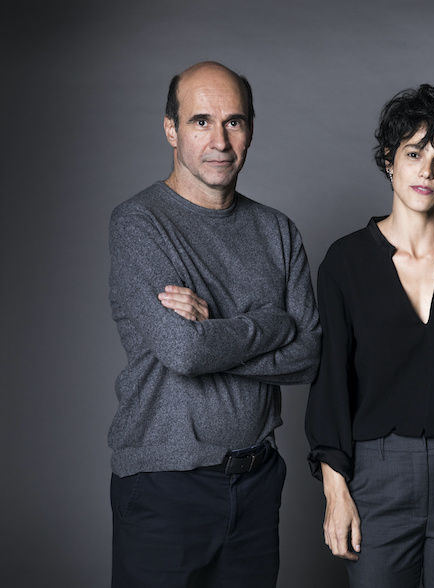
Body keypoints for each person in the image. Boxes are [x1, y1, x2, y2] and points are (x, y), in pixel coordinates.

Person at [108, 61, 321, 588]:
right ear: (170, 130)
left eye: (235, 121)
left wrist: (216, 328)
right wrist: (273, 323)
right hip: (163, 485)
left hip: (257, 482)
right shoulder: (139, 222)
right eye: (201, 121)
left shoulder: (277, 230)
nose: (220, 140)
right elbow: (184, 351)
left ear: (251, 129)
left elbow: (311, 354)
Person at [305, 84, 434, 588]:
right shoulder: (345, 262)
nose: (426, 171)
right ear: (389, 161)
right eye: (414, 153)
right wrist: (335, 489)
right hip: (377, 475)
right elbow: (330, 381)